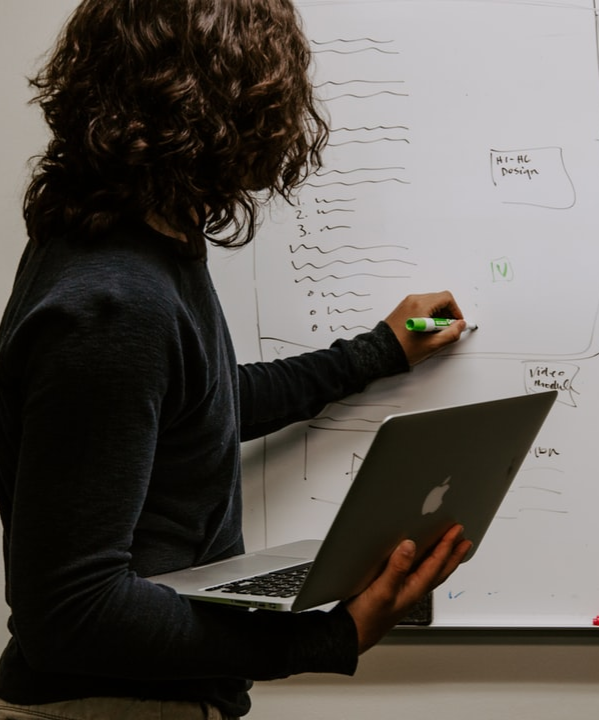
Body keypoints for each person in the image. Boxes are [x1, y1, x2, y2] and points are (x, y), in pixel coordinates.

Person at [0, 0, 473, 717]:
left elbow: (196, 407)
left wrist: (378, 351)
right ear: (235, 109)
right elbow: (70, 613)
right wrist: (330, 639)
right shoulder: (113, 302)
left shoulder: (136, 250)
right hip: (109, 707)